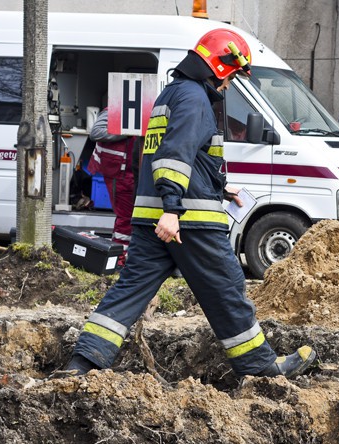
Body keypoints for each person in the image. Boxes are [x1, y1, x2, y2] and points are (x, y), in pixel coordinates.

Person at [60, 29, 318, 378]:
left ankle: (82, 363)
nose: (228, 86)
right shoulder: (195, 98)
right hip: (188, 222)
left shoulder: (172, 95)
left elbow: (186, 157)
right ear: (220, 67)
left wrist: (219, 187)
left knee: (129, 291)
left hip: (154, 221)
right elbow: (174, 156)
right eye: (231, 78)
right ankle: (262, 369)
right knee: (227, 289)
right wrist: (172, 210)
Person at [88, 108, 136, 263]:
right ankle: (120, 259)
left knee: (129, 217)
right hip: (118, 173)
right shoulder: (115, 109)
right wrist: (128, 131)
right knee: (125, 217)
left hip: (130, 173)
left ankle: (123, 256)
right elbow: (96, 133)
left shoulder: (144, 111)